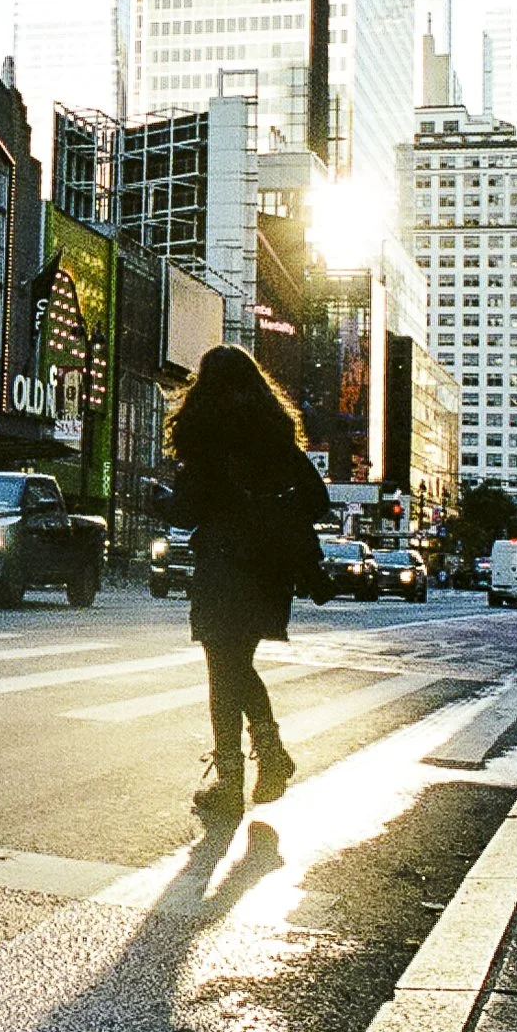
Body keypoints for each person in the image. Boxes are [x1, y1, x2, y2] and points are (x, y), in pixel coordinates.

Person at [166, 344, 334, 818]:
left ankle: (231, 778)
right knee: (237, 663)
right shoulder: (277, 439)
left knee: (224, 666)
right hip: (271, 569)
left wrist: (169, 496)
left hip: (223, 565)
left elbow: (185, 511)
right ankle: (269, 753)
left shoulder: (207, 438)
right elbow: (318, 501)